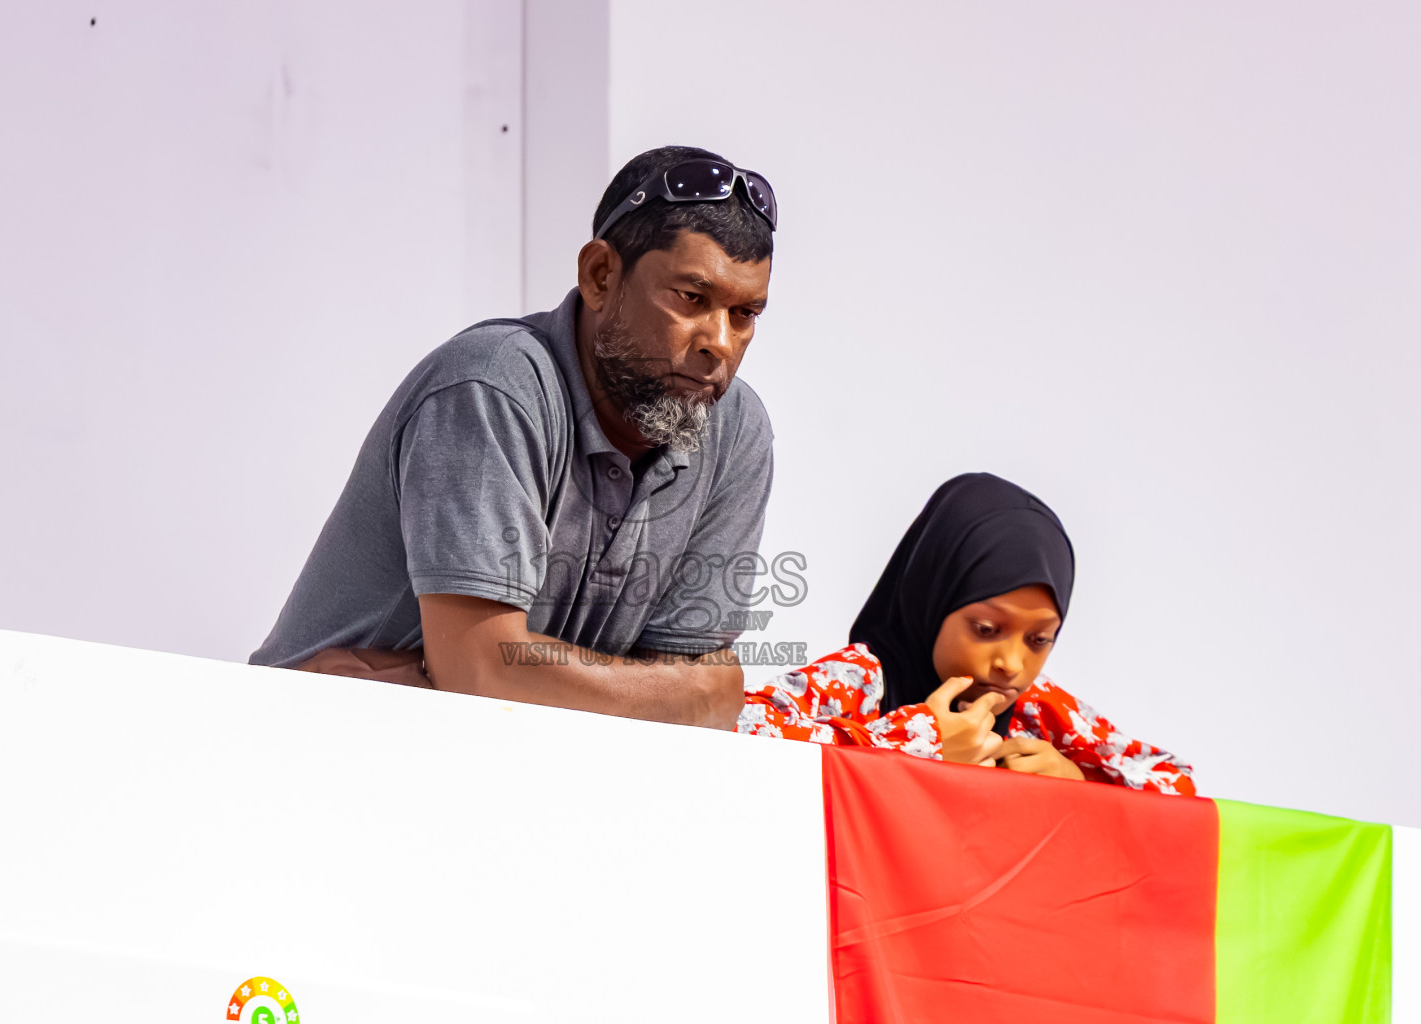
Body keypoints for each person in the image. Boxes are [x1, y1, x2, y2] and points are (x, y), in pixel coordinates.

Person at [251, 146, 780, 730]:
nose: (720, 343)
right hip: (312, 746)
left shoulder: (734, 427)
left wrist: (437, 677)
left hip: (517, 762)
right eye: (691, 298)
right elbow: (488, 673)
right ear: (601, 275)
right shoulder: (494, 384)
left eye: (745, 314)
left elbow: (706, 699)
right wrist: (481, 673)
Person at [737, 473, 1195, 795]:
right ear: (930, 602)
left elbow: (1177, 786)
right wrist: (920, 743)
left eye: (1039, 640)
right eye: (987, 629)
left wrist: (1076, 783)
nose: (1012, 664)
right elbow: (739, 731)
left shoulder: (1039, 712)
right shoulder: (863, 680)